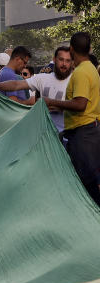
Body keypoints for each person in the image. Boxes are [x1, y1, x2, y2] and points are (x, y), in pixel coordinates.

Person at [43, 32, 100, 204]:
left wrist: (51, 101)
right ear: (89, 49)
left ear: (71, 49)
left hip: (83, 134)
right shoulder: (91, 68)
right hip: (88, 132)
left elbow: (80, 103)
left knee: (85, 186)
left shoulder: (81, 72)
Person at [0, 46, 73, 134]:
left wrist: (55, 104)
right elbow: (15, 87)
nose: (64, 64)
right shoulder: (42, 78)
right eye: (61, 59)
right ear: (54, 60)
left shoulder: (75, 81)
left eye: (68, 60)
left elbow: (81, 105)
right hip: (42, 132)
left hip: (64, 134)